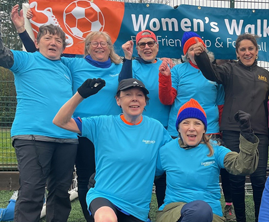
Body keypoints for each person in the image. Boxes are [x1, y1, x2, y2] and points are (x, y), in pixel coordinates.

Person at [11, 6, 124, 221]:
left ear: (110, 47)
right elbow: (39, 58)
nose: (99, 46)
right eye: (93, 43)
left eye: (104, 43)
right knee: (82, 180)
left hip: (110, 132)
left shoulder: (123, 66)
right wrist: (22, 31)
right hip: (79, 130)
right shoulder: (71, 64)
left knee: (108, 177)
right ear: (87, 47)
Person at [53, 78, 172, 222]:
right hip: (104, 197)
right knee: (106, 219)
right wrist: (80, 95)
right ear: (118, 100)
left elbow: (174, 155)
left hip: (137, 209)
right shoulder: (102, 123)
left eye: (139, 95)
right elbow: (60, 121)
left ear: (145, 101)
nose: (134, 99)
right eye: (128, 94)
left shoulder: (156, 128)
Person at [0, 12, 77, 221]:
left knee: (61, 193)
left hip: (67, 139)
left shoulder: (67, 67)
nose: (53, 42)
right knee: (32, 192)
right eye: (48, 38)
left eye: (58, 40)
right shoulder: (25, 59)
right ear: (37, 42)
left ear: (63, 46)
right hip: (32, 137)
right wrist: (17, 28)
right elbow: (2, 54)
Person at [194, 33, 269, 222]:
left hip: (259, 134)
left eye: (250, 48)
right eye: (243, 49)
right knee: (236, 179)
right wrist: (201, 56)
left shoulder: (266, 75)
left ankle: (260, 218)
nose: (247, 52)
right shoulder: (228, 70)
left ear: (256, 51)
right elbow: (211, 73)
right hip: (233, 132)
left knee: (259, 180)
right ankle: (241, 219)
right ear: (237, 53)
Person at [155, 99, 259, 222]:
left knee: (201, 210)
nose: (192, 128)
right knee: (199, 210)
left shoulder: (216, 150)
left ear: (204, 129)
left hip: (210, 214)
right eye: (186, 123)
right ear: (178, 128)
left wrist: (247, 135)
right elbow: (148, 176)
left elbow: (243, 166)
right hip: (173, 212)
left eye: (197, 123)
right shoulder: (166, 151)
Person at [119, 30, 174, 208]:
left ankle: (165, 215)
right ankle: (138, 215)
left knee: (164, 177)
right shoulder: (132, 66)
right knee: (139, 175)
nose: (147, 47)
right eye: (142, 44)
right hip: (138, 129)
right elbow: (123, 84)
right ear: (138, 48)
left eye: (151, 43)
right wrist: (127, 57)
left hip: (163, 130)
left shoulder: (168, 66)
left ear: (157, 47)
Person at [158, 31, 224, 138]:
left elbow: (221, 105)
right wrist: (165, 78)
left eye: (199, 47)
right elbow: (167, 100)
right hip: (181, 130)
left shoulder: (216, 71)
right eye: (192, 49)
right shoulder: (177, 70)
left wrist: (221, 130)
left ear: (205, 50)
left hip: (209, 129)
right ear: (187, 55)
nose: (196, 51)